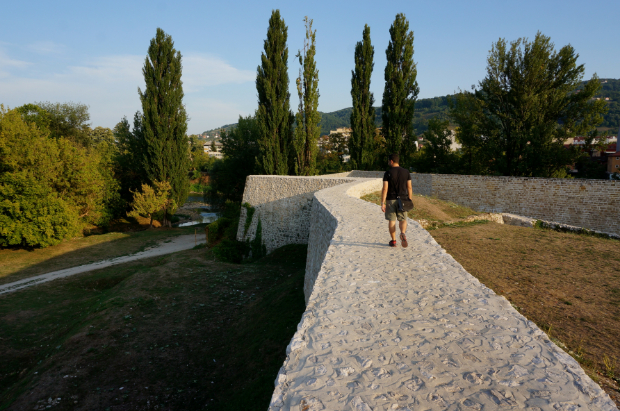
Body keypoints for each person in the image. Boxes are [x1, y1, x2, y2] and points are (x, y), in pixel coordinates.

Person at [380, 153, 413, 247]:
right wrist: (409, 200)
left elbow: (385, 189)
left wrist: (382, 203)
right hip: (403, 200)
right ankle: (402, 233)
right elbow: (409, 187)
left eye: (388, 161)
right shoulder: (406, 172)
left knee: (392, 220)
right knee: (403, 220)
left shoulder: (388, 173)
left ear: (391, 161)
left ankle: (393, 241)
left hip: (391, 200)